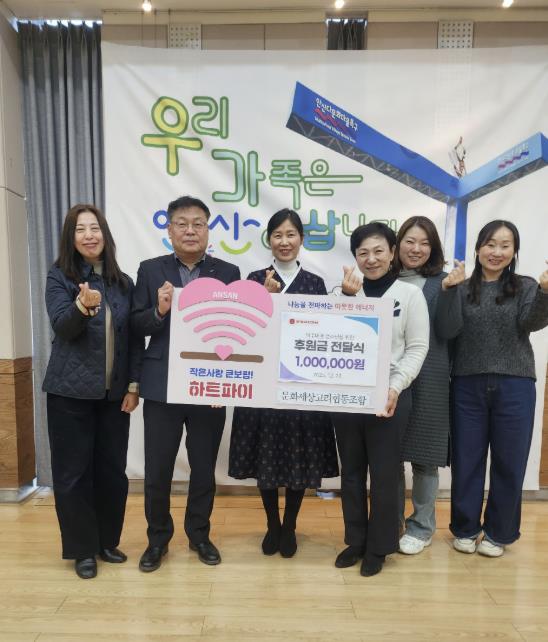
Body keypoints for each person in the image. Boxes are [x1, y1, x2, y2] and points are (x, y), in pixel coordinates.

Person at [132, 195, 240, 572]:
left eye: (198, 224)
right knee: (158, 469)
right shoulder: (150, 270)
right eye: (182, 223)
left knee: (204, 467)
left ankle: (199, 535)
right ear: (169, 229)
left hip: (209, 387)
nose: (190, 230)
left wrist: (224, 382)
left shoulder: (228, 272)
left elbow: (237, 332)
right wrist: (159, 310)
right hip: (162, 385)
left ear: (208, 230)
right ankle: (157, 540)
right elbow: (136, 325)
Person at [228, 209, 339, 558]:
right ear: (269, 240)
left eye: (291, 234)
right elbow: (242, 334)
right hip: (262, 384)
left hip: (301, 385)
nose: (284, 241)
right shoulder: (253, 279)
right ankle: (272, 524)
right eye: (278, 235)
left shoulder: (315, 284)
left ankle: (289, 525)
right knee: (265, 456)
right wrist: (264, 298)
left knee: (297, 457)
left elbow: (322, 335)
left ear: (301, 239)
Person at [437, 220, 548, 557]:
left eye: (505, 245)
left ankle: (499, 533)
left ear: (514, 251)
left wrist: (546, 293)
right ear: (477, 248)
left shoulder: (526, 286)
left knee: (509, 462)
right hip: (466, 383)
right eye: (490, 244)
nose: (496, 252)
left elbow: (531, 322)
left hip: (515, 384)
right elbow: (448, 330)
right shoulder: (461, 286)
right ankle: (465, 528)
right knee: (467, 460)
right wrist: (448, 291)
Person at [43, 203, 142, 579]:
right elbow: (62, 327)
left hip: (114, 396)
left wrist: (133, 385)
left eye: (95, 228)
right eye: (80, 229)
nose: (89, 235)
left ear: (105, 234)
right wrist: (82, 308)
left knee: (112, 472)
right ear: (71, 238)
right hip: (69, 394)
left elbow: (134, 340)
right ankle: (82, 549)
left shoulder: (123, 282)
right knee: (73, 474)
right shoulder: (60, 276)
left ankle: (106, 542)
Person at [332, 222, 429, 576]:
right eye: (363, 253)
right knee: (351, 472)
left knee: (386, 473)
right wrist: (347, 300)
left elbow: (417, 348)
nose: (371, 259)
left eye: (378, 251)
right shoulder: (343, 292)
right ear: (355, 257)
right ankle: (356, 541)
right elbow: (332, 339)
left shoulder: (409, 294)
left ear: (392, 253)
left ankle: (380, 546)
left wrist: (395, 387)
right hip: (346, 396)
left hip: (391, 395)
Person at [395, 216, 452, 555]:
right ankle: (390, 522)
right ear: (397, 243)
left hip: (430, 377)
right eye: (410, 241)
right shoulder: (384, 278)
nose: (416, 249)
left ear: (433, 248)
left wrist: (450, 293)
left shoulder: (444, 282)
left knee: (424, 457)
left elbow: (449, 331)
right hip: (390, 377)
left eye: (424, 243)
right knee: (388, 455)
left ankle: (421, 526)